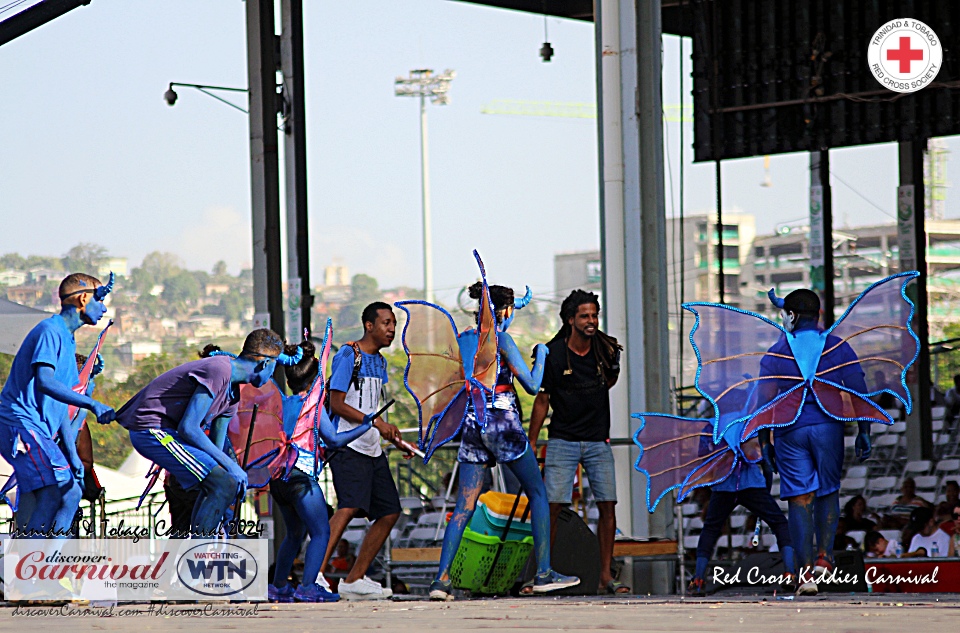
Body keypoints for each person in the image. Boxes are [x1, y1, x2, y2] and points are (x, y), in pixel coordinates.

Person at [427, 280, 579, 601]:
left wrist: (513, 305)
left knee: (464, 506)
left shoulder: (464, 340)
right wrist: (541, 355)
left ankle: (440, 582)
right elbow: (533, 386)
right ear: (505, 311)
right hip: (502, 423)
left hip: (472, 422)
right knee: (538, 492)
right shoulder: (503, 340)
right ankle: (544, 573)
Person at [113, 328, 296, 536]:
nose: (272, 376)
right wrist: (231, 469)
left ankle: (208, 543)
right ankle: (202, 548)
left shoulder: (233, 396)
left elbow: (214, 452)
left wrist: (229, 473)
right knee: (224, 482)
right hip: (151, 429)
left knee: (222, 484)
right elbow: (189, 428)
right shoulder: (219, 370)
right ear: (265, 364)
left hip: (170, 435)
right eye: (274, 369)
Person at [758, 288, 871, 595]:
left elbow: (762, 404)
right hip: (827, 428)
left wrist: (764, 442)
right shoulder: (837, 346)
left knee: (799, 499)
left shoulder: (775, 353)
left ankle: (805, 574)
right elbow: (858, 388)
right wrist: (864, 430)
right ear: (819, 315)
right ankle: (825, 555)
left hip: (788, 430)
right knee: (828, 490)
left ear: (791, 316)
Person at [528, 289, 628, 594]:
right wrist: (532, 441)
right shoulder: (553, 353)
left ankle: (605, 576)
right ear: (570, 319)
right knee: (553, 507)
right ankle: (541, 573)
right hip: (562, 439)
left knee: (608, 505)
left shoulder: (607, 350)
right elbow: (542, 400)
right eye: (584, 316)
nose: (591, 321)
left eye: (594, 315)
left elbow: (610, 381)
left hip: (598, 440)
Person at [0, 272, 115, 537]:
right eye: (100, 299)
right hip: (19, 425)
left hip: (37, 432)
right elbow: (45, 382)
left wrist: (73, 455)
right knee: (53, 491)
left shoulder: (68, 338)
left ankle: (52, 563)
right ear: (83, 299)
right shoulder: (49, 331)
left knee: (71, 492)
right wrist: (93, 404)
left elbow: (59, 403)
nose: (104, 307)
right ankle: (35, 568)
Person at [268, 341, 379, 604]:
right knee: (321, 532)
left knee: (294, 533)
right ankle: (308, 586)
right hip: (301, 478)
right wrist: (365, 425)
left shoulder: (282, 403)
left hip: (278, 479)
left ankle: (279, 587)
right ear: (316, 377)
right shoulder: (313, 406)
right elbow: (335, 440)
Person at [318, 302, 409, 601]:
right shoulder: (348, 355)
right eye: (385, 323)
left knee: (389, 511)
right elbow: (337, 403)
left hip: (371, 447)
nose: (391, 329)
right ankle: (314, 575)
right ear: (369, 325)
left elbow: (372, 407)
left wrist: (392, 435)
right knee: (348, 506)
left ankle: (354, 579)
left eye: (393, 323)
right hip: (347, 443)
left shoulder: (381, 362)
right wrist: (376, 422)